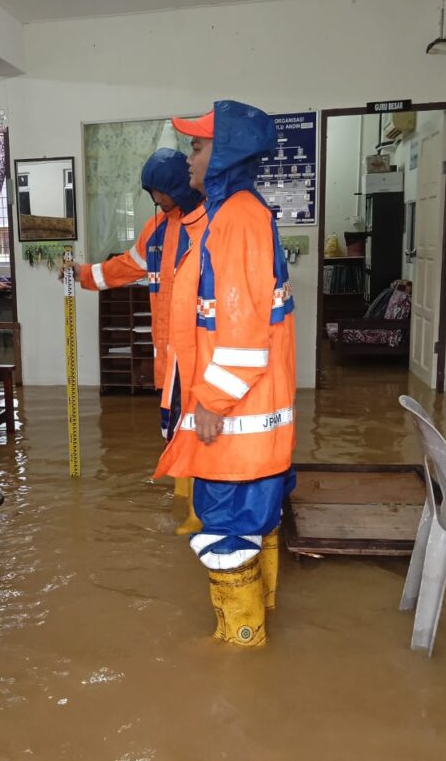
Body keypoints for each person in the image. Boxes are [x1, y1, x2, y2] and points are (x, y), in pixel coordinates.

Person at [155, 100, 296, 647]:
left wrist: (211, 402)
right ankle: (255, 631)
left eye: (197, 146)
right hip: (251, 418)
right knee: (252, 523)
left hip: (235, 419)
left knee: (227, 532)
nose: (189, 158)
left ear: (225, 153)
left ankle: (240, 647)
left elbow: (241, 331)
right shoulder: (234, 213)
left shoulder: (235, 219)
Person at [67, 148, 208, 534]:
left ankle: (200, 511)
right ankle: (185, 501)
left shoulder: (210, 224)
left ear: (177, 187)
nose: (155, 200)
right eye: (151, 193)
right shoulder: (156, 228)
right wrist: (83, 275)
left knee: (198, 428)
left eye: (159, 191)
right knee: (176, 427)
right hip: (168, 353)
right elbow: (127, 266)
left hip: (199, 352)